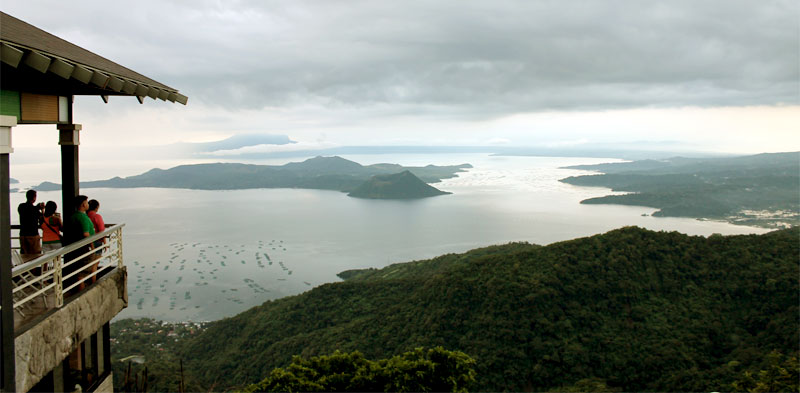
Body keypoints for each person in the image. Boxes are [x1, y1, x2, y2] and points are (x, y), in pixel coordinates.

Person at [65, 195, 96, 291]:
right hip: (83, 248)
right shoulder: (83, 218)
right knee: (82, 273)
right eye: (86, 202)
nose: (88, 204)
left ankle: (79, 289)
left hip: (75, 247)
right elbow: (86, 234)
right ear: (83, 204)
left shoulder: (73, 216)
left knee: (78, 271)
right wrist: (92, 246)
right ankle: (81, 291)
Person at [17, 189, 44, 256]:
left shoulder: (21, 206)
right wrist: (42, 209)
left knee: (25, 256)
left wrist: (37, 207)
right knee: (35, 256)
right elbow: (42, 220)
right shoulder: (35, 210)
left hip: (23, 234)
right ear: (34, 197)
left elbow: (28, 209)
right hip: (33, 235)